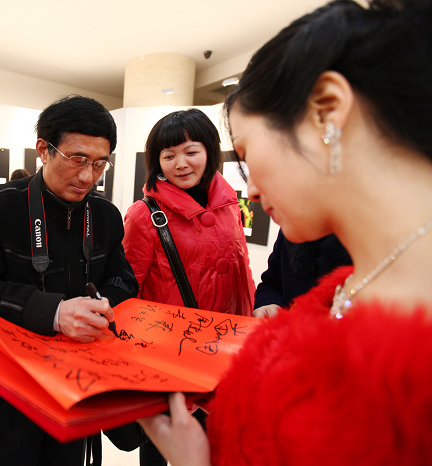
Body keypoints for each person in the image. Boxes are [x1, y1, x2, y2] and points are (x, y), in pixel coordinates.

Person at [138, 0, 432, 464]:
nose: (251, 189)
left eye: (248, 155)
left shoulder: (407, 345)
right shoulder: (356, 287)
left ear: (327, 111)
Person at [0, 95, 139, 466]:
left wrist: (101, 307)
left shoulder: (105, 215)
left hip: (79, 380)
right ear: (43, 151)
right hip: (12, 384)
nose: (88, 177)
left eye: (100, 163)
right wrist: (53, 312)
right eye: (77, 159)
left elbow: (124, 280)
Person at [123, 109, 255, 465]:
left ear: (210, 150)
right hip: (169, 357)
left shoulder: (230, 205)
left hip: (226, 352)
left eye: (191, 151)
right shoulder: (144, 214)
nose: (180, 164)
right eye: (168, 156)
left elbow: (242, 270)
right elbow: (129, 292)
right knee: (161, 447)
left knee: (218, 445)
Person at [253, 229, 351, 318]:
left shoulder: (354, 243)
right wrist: (269, 303)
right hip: (288, 328)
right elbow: (271, 284)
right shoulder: (290, 230)